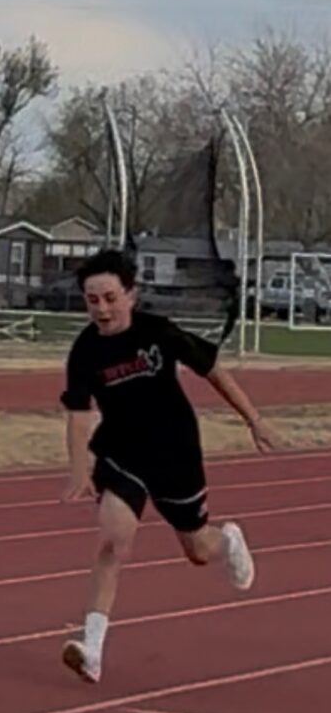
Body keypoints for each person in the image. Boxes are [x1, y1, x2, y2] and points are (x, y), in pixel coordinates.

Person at [59, 249, 279, 684]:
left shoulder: (158, 333)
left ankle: (229, 540)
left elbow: (213, 370)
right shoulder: (84, 351)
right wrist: (80, 468)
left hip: (175, 452)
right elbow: (79, 413)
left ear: (131, 295)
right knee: (113, 541)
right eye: (92, 300)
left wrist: (254, 419)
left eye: (109, 297)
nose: (101, 309)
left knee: (197, 550)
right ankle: (92, 650)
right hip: (121, 455)